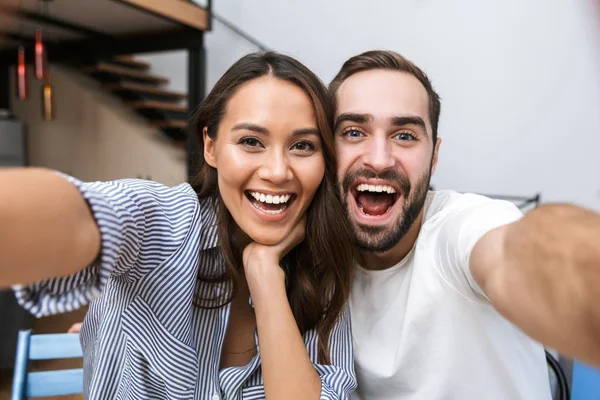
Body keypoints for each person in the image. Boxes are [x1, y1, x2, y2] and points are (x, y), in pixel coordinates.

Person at [0, 52, 358, 400]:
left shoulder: (322, 274)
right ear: (211, 147)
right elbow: (83, 214)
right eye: (251, 141)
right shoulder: (166, 222)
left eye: (302, 145)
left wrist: (264, 276)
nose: (278, 171)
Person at [329, 50, 600, 400]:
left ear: (434, 156)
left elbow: (511, 252)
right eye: (354, 132)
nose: (379, 160)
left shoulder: (458, 231)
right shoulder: (320, 265)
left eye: (405, 135)